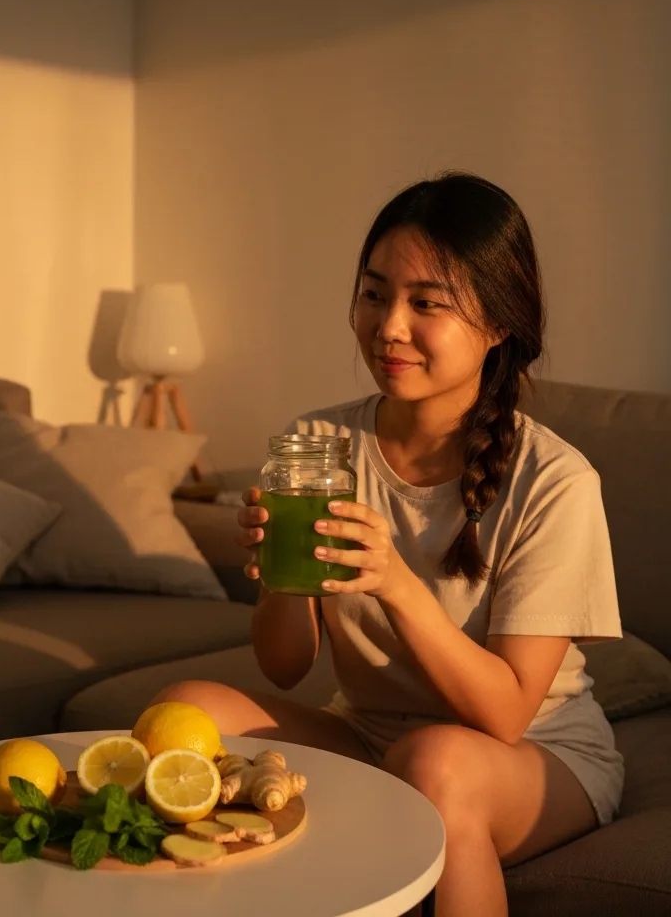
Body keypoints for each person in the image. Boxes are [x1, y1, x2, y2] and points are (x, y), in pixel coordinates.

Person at [150, 173, 623, 917]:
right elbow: (282, 667)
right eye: (374, 295)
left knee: (435, 763)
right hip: (370, 737)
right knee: (186, 711)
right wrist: (281, 574)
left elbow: (503, 714)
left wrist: (395, 582)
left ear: (498, 322)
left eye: (426, 303)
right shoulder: (317, 446)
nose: (388, 327)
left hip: (530, 756)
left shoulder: (556, 480)